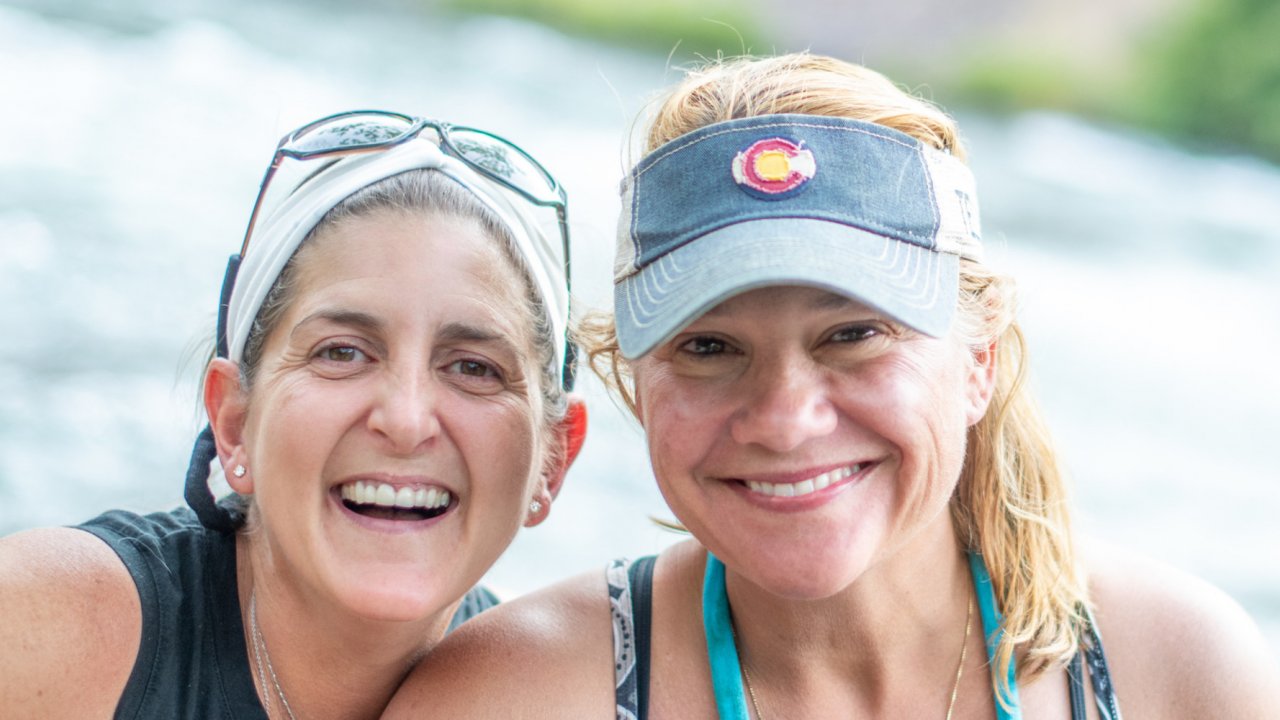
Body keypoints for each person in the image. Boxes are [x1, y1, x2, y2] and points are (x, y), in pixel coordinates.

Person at [385, 54, 1280, 719]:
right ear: (634, 386)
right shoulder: (512, 696)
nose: (784, 419)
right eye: (709, 346)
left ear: (982, 361)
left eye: (854, 335)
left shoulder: (1185, 675)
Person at [0, 110, 586, 718]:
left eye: (473, 368)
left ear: (554, 458)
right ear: (232, 424)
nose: (407, 420)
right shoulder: (49, 626)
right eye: (343, 353)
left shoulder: (553, 695)